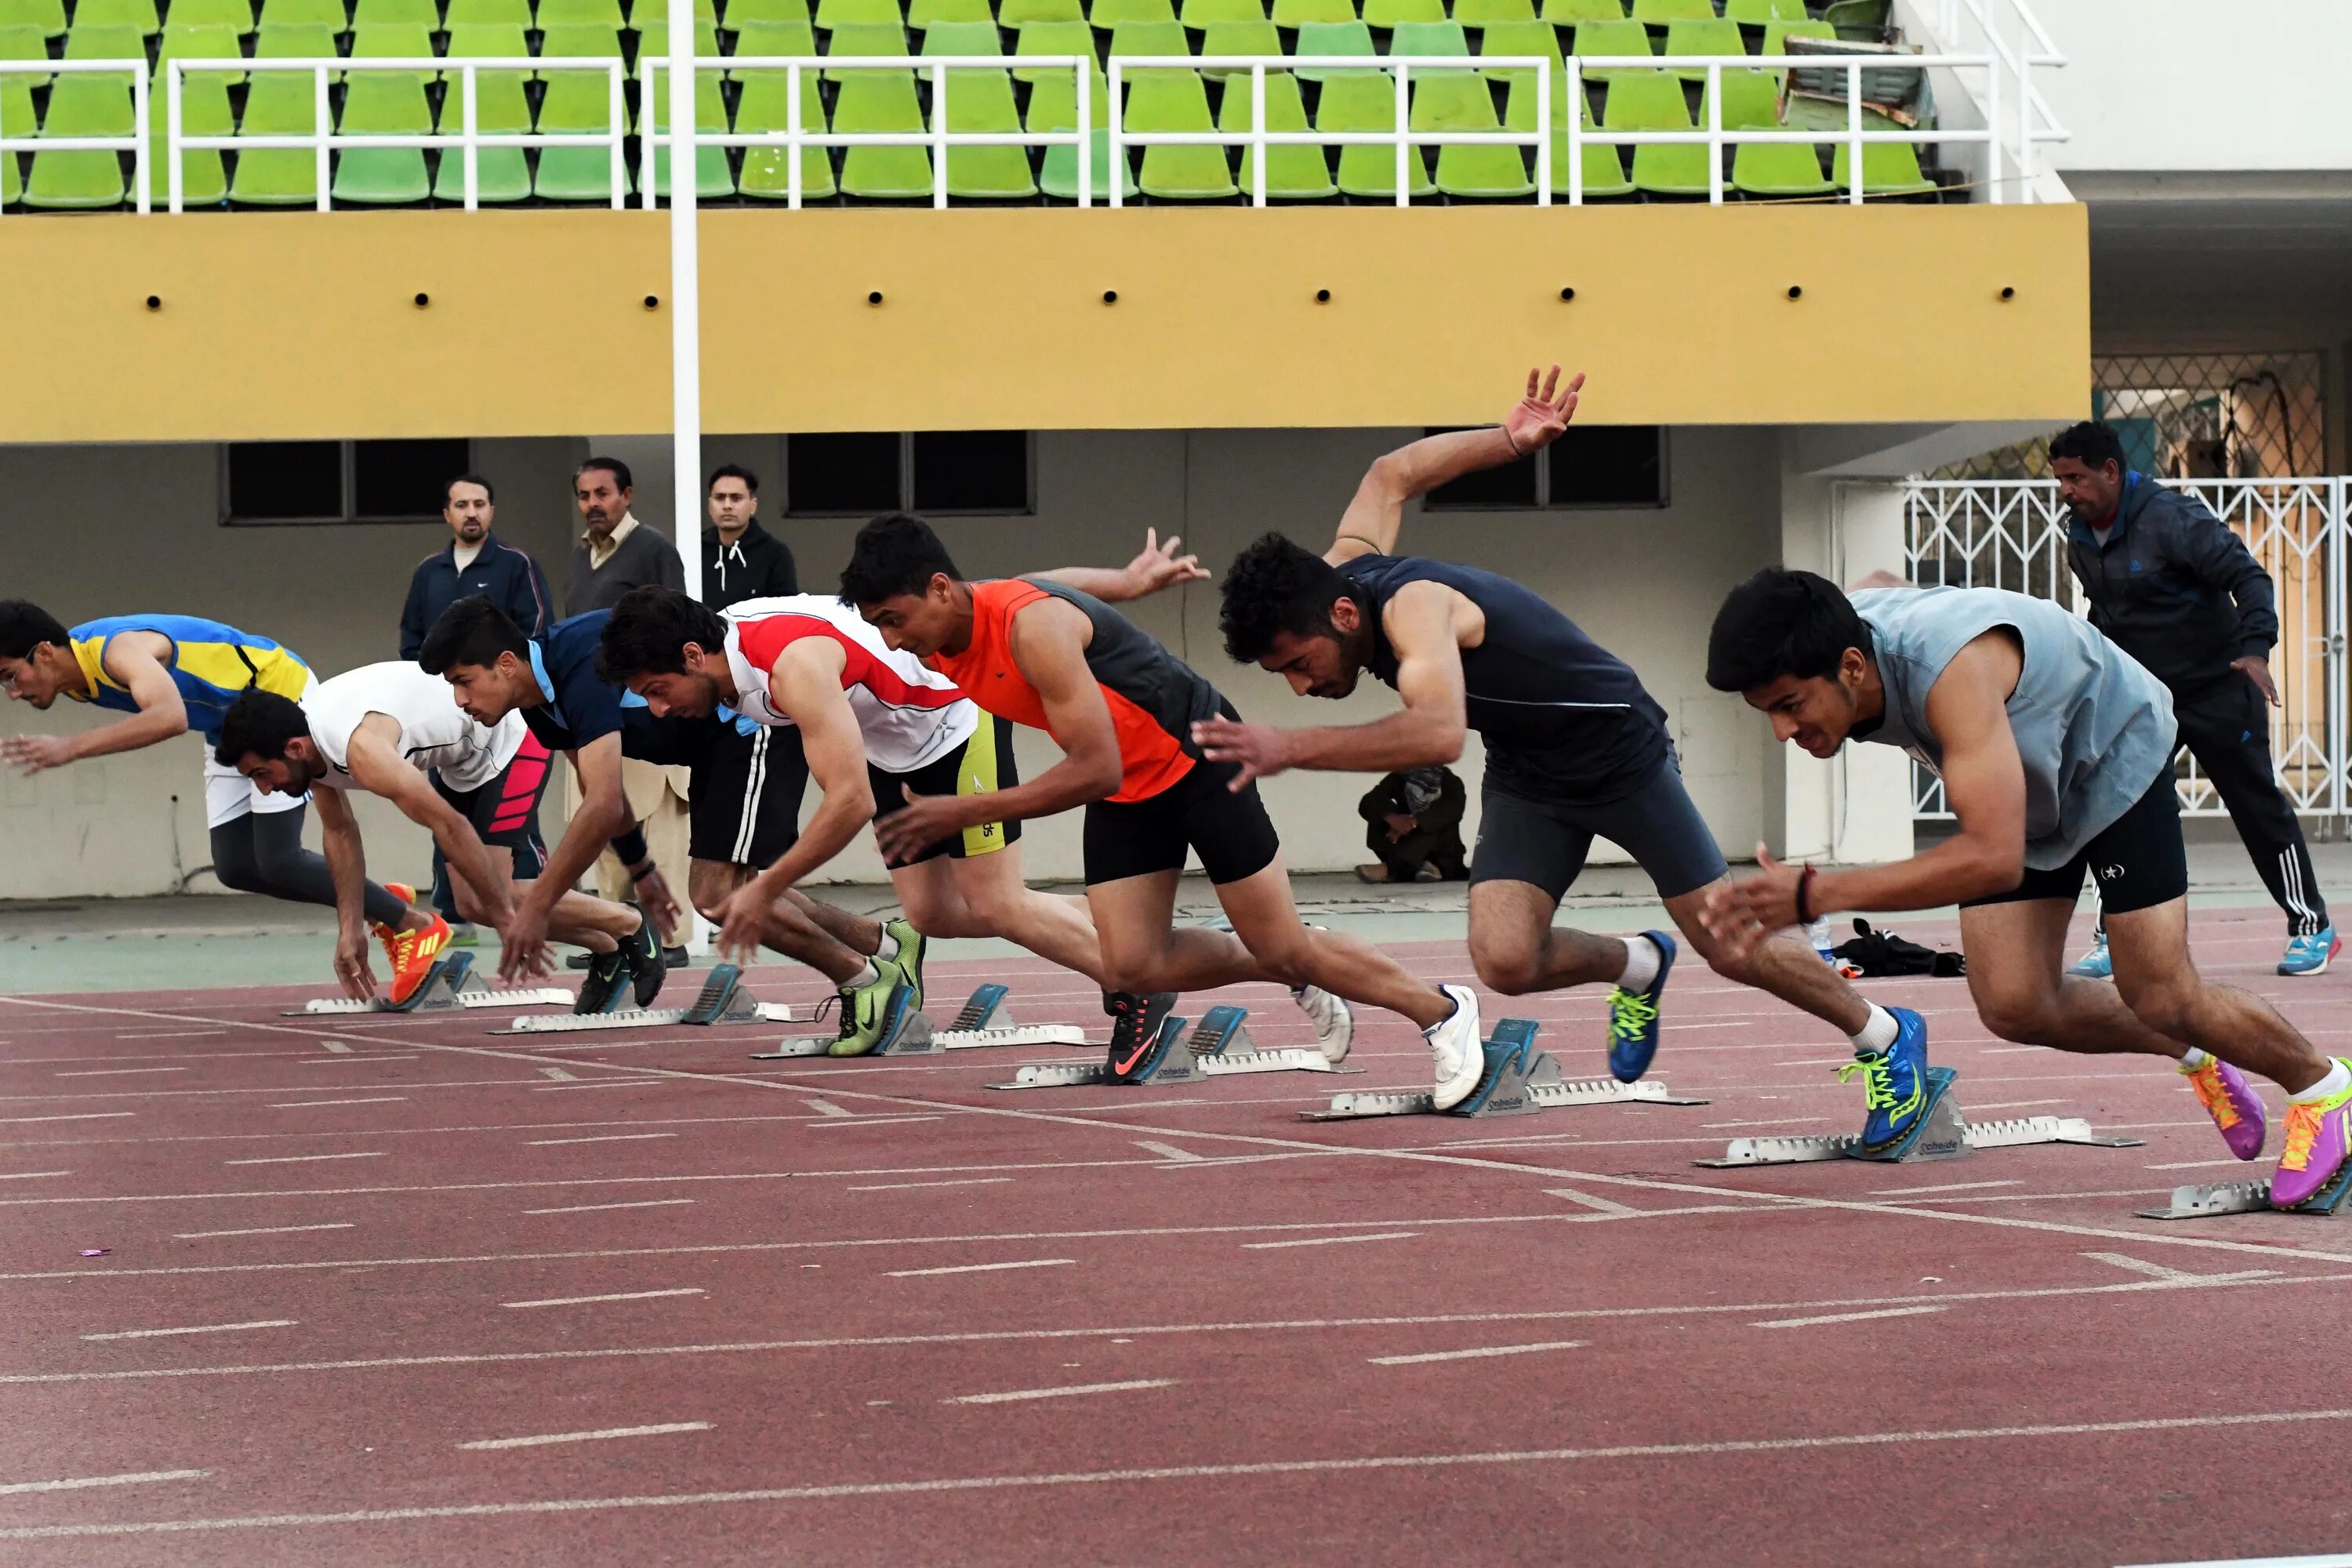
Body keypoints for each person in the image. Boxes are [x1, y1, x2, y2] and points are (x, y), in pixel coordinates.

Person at [1199, 368, 1918, 1109]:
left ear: (1343, 619)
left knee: (1727, 941)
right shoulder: (1341, 572)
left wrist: (1288, 747)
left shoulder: (1415, 610)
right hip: (1529, 771)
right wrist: (1505, 441)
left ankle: (1885, 1035)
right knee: (1505, 960)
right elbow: (1391, 474)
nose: (1299, 685)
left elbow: (1439, 733)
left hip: (1617, 751)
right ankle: (1637, 964)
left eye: (1297, 663)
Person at [1701, 569, 2352, 1208]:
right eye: (1768, 714)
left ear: (1850, 667)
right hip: (2024, 789)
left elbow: (1992, 860)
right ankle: (2194, 1047)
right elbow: (1885, 582)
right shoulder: (1856, 625)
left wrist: (1819, 895)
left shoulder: (1953, 675)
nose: (1783, 732)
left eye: (1790, 706)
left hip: (2112, 756)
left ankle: (2322, 1088)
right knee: (2015, 1004)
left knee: (2161, 990)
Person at [841, 513, 1484, 1105]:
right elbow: (1053, 582)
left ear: (940, 589)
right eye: (879, 628)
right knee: (1132, 965)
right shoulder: (963, 618)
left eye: (895, 621)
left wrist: (965, 811)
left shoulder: (1031, 629)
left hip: (1197, 755)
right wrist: (1124, 582)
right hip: (1130, 788)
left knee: (1280, 946)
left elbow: (1095, 768)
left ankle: (1442, 1010)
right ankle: (1293, 950)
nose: (893, 642)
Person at [0, 602, 438, 998]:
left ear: (43, 652)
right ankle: (370, 896)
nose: (13, 693)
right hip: (226, 726)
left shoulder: (114, 651)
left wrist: (70, 748)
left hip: (274, 696)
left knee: (279, 858)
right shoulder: (72, 679)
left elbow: (170, 716)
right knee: (235, 867)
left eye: (10, 677)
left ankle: (411, 924)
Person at [2049, 420, 2334, 978]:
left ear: (2110, 472)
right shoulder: (2078, 532)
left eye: (2075, 478)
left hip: (2219, 687)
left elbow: (2250, 578)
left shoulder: (2173, 519)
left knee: (2255, 805)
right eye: (2060, 479)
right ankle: (2115, 936)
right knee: (2121, 811)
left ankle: (2311, 925)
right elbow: (2105, 613)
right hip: (2146, 698)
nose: (2067, 490)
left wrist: (2255, 649)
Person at [214, 664, 660, 1014]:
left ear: (293, 749)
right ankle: (606, 946)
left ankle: (631, 923)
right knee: (470, 905)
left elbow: (449, 826)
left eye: (261, 774)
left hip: (512, 740)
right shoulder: (311, 745)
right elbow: (339, 831)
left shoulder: (361, 749)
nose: (265, 790)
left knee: (500, 896)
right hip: (460, 761)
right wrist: (350, 930)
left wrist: (508, 923)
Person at [420, 597, 692, 1009]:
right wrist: (642, 868)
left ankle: (830, 977)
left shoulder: (582, 662)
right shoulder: (535, 703)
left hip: (743, 728)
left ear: (507, 664)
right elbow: (602, 794)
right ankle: (614, 943)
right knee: (718, 893)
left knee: (717, 893)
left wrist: (537, 908)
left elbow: (601, 805)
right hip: (706, 748)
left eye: (465, 681)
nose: (460, 700)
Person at [397, 473, 554, 946]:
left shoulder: (515, 565)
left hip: (505, 714)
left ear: (492, 511)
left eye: (480, 504)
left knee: (513, 817)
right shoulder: (429, 572)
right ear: (447, 514)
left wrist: (504, 691)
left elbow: (537, 630)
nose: (471, 512)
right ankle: (454, 912)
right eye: (461, 505)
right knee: (443, 808)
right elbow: (411, 640)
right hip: (445, 719)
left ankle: (536, 901)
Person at [564, 456, 689, 960]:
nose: (592, 504)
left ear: (627, 496)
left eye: (602, 494)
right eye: (584, 496)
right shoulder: (580, 557)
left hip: (644, 711)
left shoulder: (654, 550)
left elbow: (674, 626)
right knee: (606, 826)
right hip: (594, 713)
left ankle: (670, 941)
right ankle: (617, 939)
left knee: (659, 830)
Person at [702, 464, 799, 609]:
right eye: (720, 498)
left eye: (736, 498)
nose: (727, 505)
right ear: (710, 506)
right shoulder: (693, 550)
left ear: (753, 506)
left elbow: (785, 614)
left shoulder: (775, 554)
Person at [1356, 768, 1467, 884]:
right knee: (1378, 812)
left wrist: (1413, 822)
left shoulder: (1449, 781)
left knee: (1435, 822)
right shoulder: (1402, 776)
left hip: (1442, 856)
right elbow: (1369, 800)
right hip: (1403, 846)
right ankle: (1421, 868)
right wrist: (1393, 819)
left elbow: (1452, 809)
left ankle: (1389, 869)